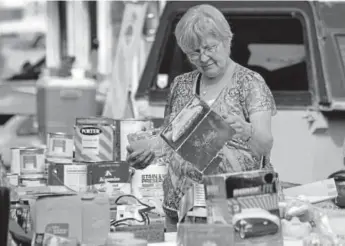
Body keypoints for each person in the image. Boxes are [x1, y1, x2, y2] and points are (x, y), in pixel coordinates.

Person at [126, 4, 276, 227]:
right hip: (180, 212)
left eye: (209, 48)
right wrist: (147, 153)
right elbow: (171, 140)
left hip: (237, 212)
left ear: (227, 40)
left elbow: (264, 144)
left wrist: (247, 131)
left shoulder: (250, 83)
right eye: (194, 52)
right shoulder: (181, 84)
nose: (203, 58)